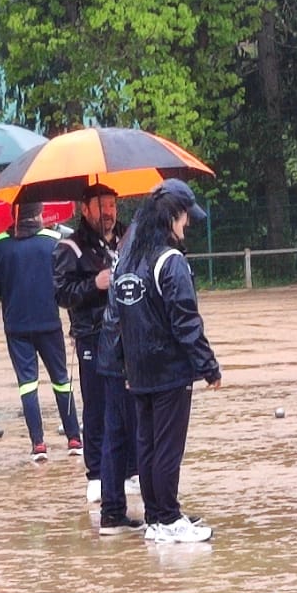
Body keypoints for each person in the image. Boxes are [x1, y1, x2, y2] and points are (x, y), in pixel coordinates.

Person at [106, 179, 221, 544]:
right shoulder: (170, 263)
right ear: (172, 216)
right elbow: (186, 320)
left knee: (148, 445)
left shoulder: (128, 262)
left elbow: (117, 320)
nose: (187, 226)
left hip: (138, 373)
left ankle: (157, 518)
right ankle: (168, 518)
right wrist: (208, 366)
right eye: (185, 218)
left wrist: (123, 366)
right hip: (170, 371)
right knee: (168, 447)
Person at [0, 200, 76, 463]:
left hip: (16, 327)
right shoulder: (53, 241)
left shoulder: (0, 244)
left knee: (27, 385)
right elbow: (64, 285)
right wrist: (73, 325)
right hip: (49, 323)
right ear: (38, 214)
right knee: (61, 379)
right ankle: (74, 437)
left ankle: (38, 443)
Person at [54, 183, 126, 505]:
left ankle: (133, 467)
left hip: (129, 333)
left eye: (112, 205)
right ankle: (96, 473)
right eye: (101, 206)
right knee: (96, 405)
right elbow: (62, 294)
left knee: (132, 401)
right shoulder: (70, 248)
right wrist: (94, 285)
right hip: (92, 335)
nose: (108, 212)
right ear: (86, 209)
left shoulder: (128, 240)